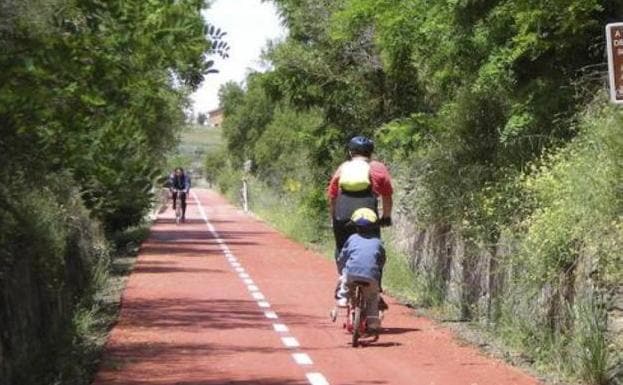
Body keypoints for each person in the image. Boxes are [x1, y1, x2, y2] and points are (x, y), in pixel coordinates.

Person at [327, 135, 393, 267]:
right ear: (370, 152)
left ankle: (343, 278)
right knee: (374, 246)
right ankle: (375, 283)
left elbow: (332, 196)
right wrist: (386, 217)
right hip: (368, 215)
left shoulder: (343, 167)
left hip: (343, 213)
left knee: (341, 247)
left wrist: (334, 217)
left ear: (351, 152)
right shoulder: (378, 167)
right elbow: (387, 196)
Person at [336, 208, 386, 332]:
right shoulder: (377, 242)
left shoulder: (352, 238)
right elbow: (382, 260)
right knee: (372, 297)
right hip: (371, 276)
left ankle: (343, 297)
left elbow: (342, 257)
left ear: (355, 227)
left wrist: (341, 269)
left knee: (345, 280)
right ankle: (373, 321)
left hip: (352, 274)